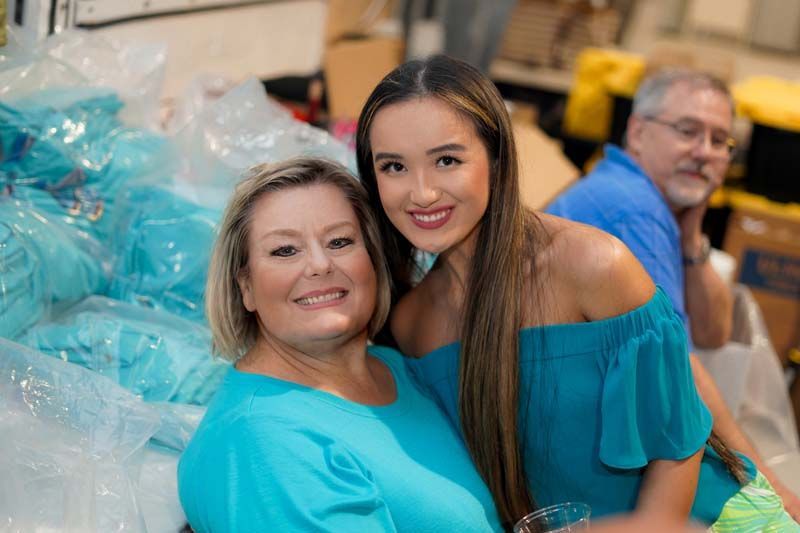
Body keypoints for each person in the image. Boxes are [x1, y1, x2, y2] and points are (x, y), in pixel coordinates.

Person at [355, 55, 800, 531]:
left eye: (447, 160)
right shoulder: (410, 323)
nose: (420, 193)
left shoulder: (593, 264)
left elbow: (680, 444)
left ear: (496, 157)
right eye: (394, 167)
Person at [177, 158, 502, 532]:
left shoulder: (394, 368)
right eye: (285, 250)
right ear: (245, 287)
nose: (319, 265)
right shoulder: (260, 441)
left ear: (372, 260)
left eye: (339, 241)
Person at [547, 68, 800, 520]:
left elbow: (715, 332)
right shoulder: (632, 207)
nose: (704, 152)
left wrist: (691, 234)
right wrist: (771, 488)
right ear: (638, 131)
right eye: (688, 131)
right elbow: (680, 371)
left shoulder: (648, 200)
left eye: (720, 140)